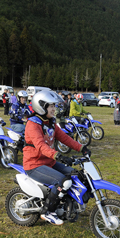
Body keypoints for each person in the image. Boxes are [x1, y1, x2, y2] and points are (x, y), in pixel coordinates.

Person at [23, 90, 91, 225]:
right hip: (34, 165)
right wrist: (58, 156)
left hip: (49, 162)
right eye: (51, 106)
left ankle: (67, 205)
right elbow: (41, 146)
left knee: (75, 174)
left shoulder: (50, 122)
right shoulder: (33, 124)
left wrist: (81, 147)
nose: (54, 109)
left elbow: (64, 138)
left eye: (54, 106)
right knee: (62, 180)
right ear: (41, 106)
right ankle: (47, 211)